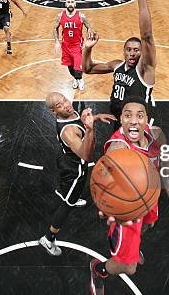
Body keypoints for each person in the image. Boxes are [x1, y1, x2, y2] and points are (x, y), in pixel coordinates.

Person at [89, 97, 169, 294]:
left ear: (147, 119)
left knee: (150, 223)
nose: (134, 121)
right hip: (128, 212)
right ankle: (98, 270)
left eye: (139, 115)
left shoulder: (157, 136)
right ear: (121, 119)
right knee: (129, 267)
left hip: (149, 197)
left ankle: (134, 246)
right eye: (127, 116)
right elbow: (101, 184)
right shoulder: (118, 149)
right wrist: (110, 208)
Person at [38, 92, 114, 256]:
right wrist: (89, 129)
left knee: (69, 190)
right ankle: (48, 238)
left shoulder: (70, 113)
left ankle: (66, 192)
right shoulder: (69, 132)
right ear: (54, 111)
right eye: (59, 105)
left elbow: (77, 119)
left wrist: (96, 116)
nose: (66, 104)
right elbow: (86, 155)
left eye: (64, 99)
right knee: (68, 205)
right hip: (74, 170)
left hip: (66, 159)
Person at [82, 0, 156, 123]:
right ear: (124, 51)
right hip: (119, 121)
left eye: (136, 50)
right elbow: (87, 69)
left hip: (138, 125)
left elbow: (147, 35)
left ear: (142, 52)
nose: (132, 52)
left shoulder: (145, 70)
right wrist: (87, 49)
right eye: (128, 49)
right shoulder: (117, 65)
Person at [53, 0, 92, 91]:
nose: (70, 4)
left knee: (77, 66)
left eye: (72, 2)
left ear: (75, 4)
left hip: (77, 45)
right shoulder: (60, 16)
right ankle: (76, 78)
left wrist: (87, 38)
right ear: (65, 4)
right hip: (65, 45)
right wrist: (57, 42)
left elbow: (89, 27)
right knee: (70, 67)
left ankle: (80, 79)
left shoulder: (81, 16)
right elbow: (55, 28)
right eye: (68, 2)